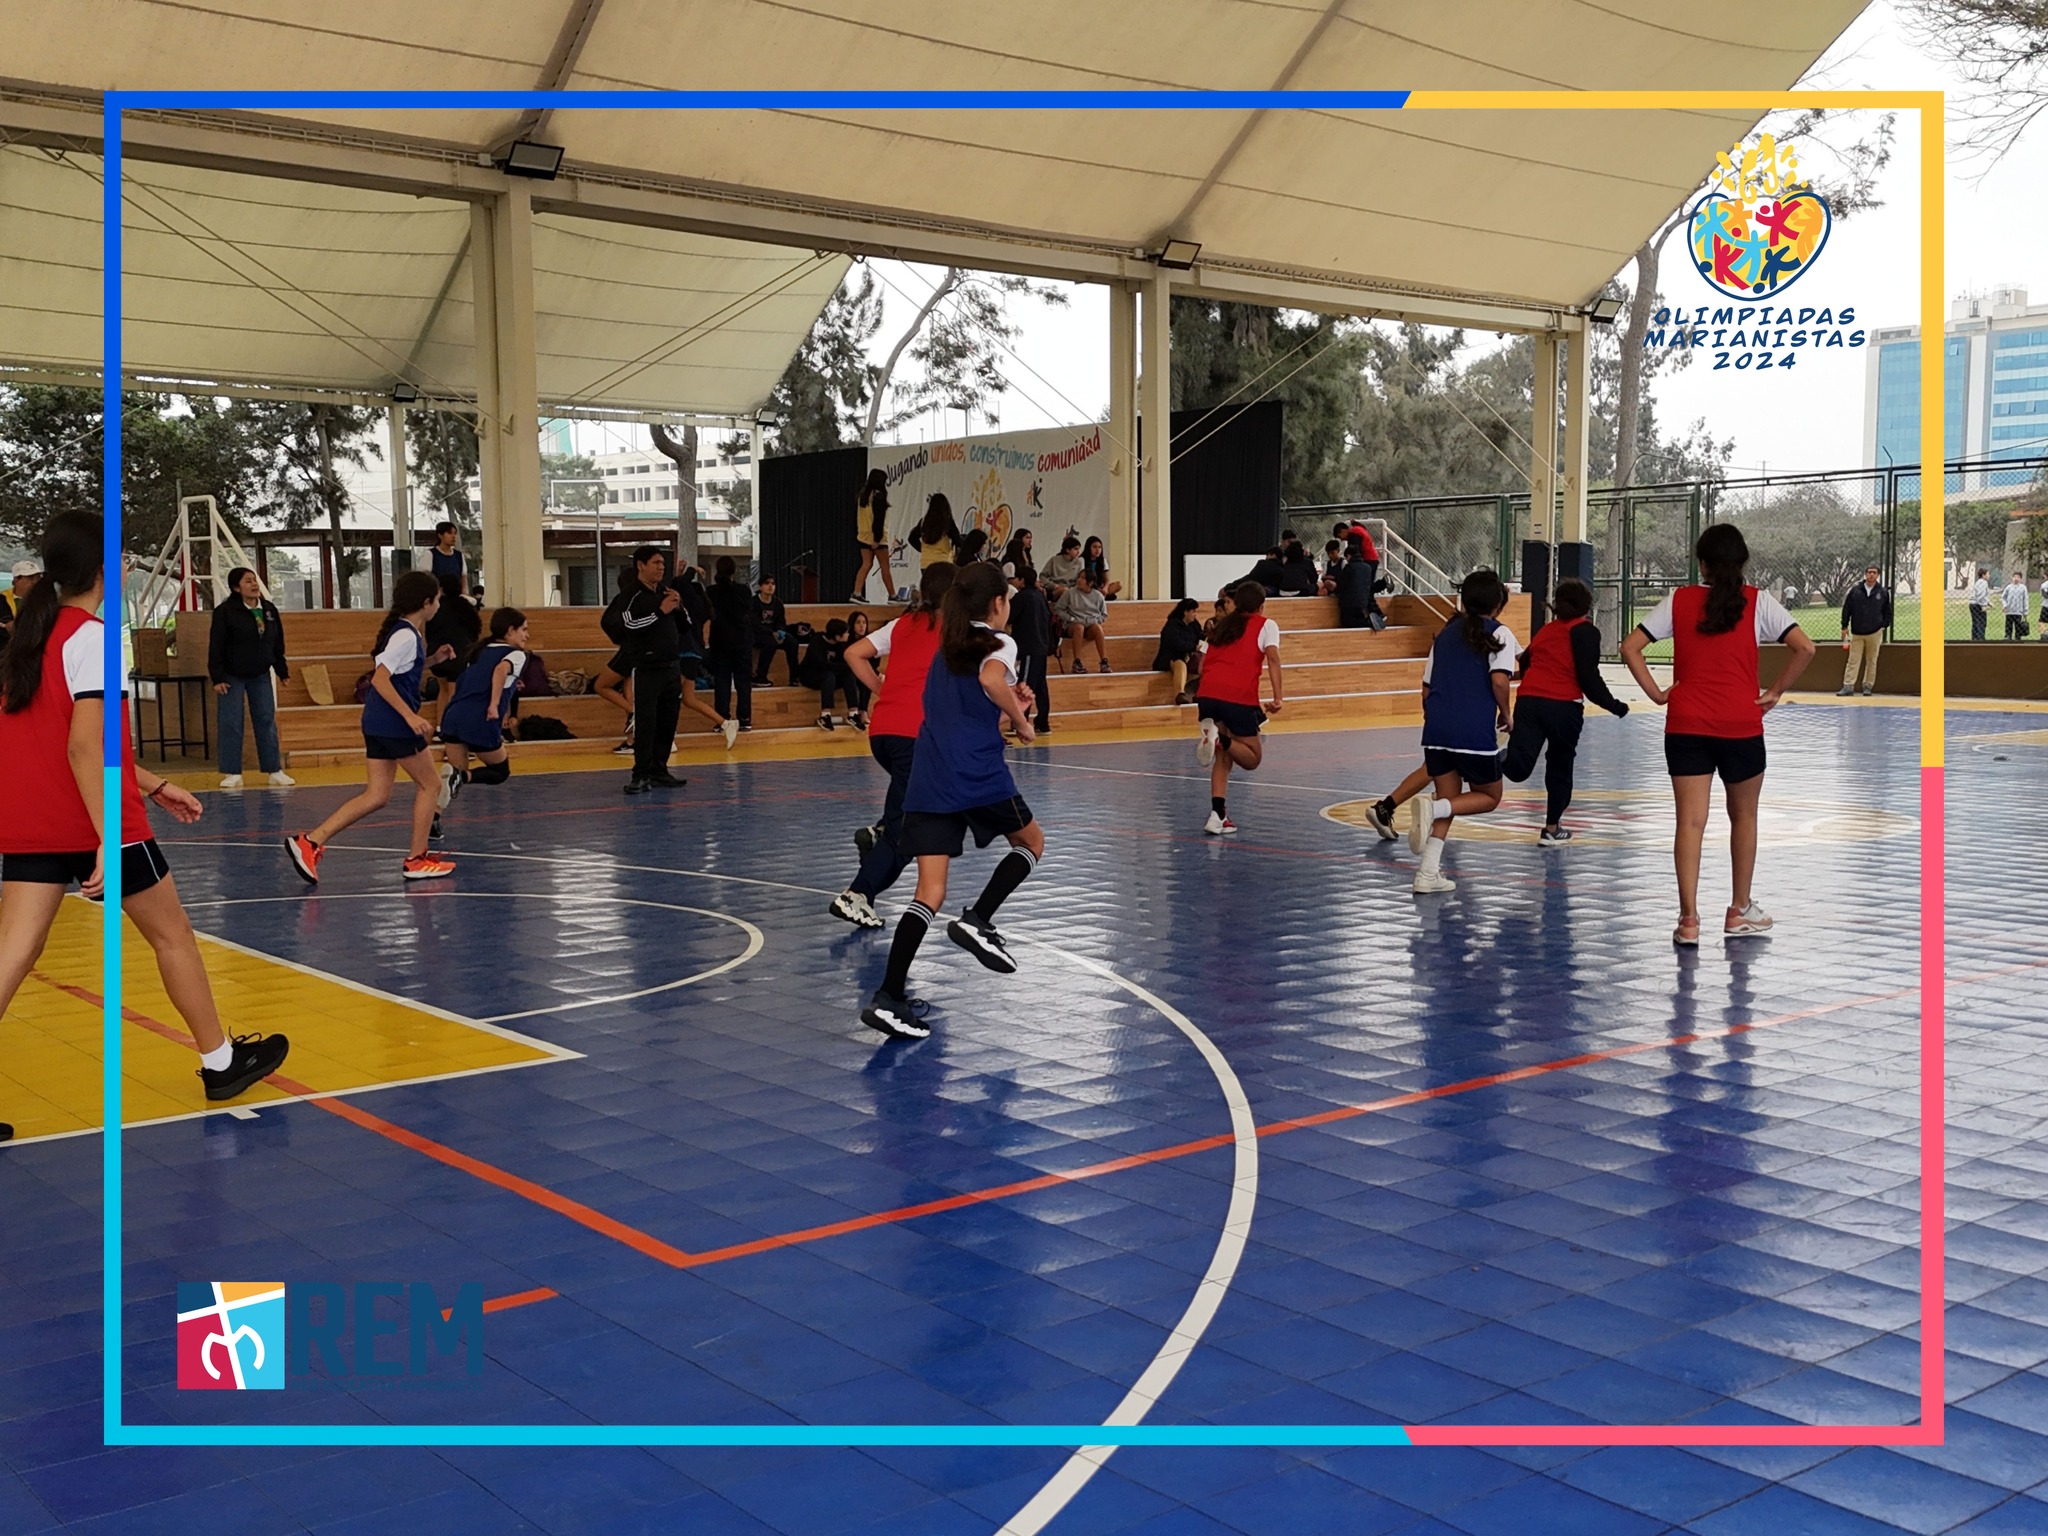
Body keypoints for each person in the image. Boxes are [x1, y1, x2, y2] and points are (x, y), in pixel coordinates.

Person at [0, 511, 290, 1142]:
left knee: (13, 954)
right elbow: (84, 747)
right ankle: (221, 1063)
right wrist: (108, 836)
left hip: (30, 820)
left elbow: (66, 743)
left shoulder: (30, 639)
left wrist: (153, 784)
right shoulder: (94, 640)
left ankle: (222, 1058)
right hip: (98, 824)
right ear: (105, 567)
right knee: (172, 936)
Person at [860, 563, 1041, 1041]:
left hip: (930, 775)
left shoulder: (947, 645)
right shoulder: (999, 643)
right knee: (1031, 843)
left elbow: (966, 705)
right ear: (998, 603)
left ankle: (888, 998)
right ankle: (978, 919)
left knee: (929, 892)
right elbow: (991, 682)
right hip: (976, 773)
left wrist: (1012, 705)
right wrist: (1022, 722)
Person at [1620, 523, 1816, 947]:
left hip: (1686, 723)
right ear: (1742, 562)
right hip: (1741, 724)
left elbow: (1629, 647)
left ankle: (1688, 920)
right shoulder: (1759, 602)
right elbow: (1806, 647)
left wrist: (1657, 694)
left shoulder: (1678, 600)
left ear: (1702, 564)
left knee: (1690, 822)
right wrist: (1775, 691)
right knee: (1744, 817)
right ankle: (1739, 909)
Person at [286, 571, 457, 883]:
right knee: (430, 785)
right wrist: (410, 717)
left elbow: (401, 668)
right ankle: (416, 859)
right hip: (393, 723)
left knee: (377, 795)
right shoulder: (406, 635)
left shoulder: (406, 632)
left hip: (377, 721)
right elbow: (380, 678)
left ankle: (310, 842)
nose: (439, 604)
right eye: (437, 599)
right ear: (425, 602)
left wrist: (433, 659)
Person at [831, 563, 955, 929]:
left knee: (906, 806)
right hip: (915, 736)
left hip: (883, 733)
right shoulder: (954, 630)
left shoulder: (903, 624)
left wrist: (880, 689)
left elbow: (853, 653)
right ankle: (858, 893)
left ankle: (880, 832)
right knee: (909, 828)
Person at [1407, 570, 1519, 894]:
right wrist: (1507, 714)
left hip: (1436, 730)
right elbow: (1500, 681)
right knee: (1489, 797)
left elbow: (1426, 688)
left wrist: (1437, 719)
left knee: (1451, 799)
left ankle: (1428, 872)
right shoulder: (1499, 633)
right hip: (1472, 732)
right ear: (1498, 604)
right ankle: (1433, 809)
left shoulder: (1445, 634)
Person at [1503, 578, 1628, 843]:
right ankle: (1552, 829)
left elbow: (1525, 663)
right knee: (1559, 766)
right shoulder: (1585, 631)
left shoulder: (1546, 631)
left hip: (1529, 701)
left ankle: (1488, 759)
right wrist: (1614, 705)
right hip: (1563, 706)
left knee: (1518, 767)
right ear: (1587, 606)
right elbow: (1588, 677)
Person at [1193, 581, 1284, 835]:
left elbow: (1201, 666)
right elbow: (1273, 658)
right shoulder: (1266, 625)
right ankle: (1219, 738)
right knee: (1252, 758)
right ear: (1261, 606)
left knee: (1223, 755)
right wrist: (1278, 698)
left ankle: (1217, 816)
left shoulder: (1221, 627)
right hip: (1237, 696)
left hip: (1208, 694)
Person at [208, 567, 293, 789]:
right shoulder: (225, 612)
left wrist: (282, 670)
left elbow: (277, 643)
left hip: (260, 674)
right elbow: (216, 646)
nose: (254, 584)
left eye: (254, 580)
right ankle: (232, 772)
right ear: (236, 588)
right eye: (248, 581)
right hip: (231, 676)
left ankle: (274, 769)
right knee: (231, 722)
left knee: (266, 720)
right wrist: (217, 677)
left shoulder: (269, 609)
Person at [615, 545, 688, 796]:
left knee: (668, 722)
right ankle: (640, 774)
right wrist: (660, 612)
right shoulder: (631, 595)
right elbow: (629, 625)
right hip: (647, 669)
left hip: (671, 667)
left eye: (663, 564)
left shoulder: (665, 593)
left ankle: (659, 769)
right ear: (641, 565)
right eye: (656, 563)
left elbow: (686, 627)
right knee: (646, 723)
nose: (661, 568)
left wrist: (678, 606)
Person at [437, 607, 528, 807]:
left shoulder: (477, 652)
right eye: (524, 629)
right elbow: (500, 670)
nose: (526, 635)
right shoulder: (516, 654)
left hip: (453, 716)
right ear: (510, 630)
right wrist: (494, 705)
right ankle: (463, 777)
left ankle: (434, 817)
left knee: (451, 778)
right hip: (479, 719)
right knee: (500, 772)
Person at [669, 561, 738, 749]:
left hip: (686, 653)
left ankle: (668, 737)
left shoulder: (690, 604)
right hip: (694, 653)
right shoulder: (700, 607)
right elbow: (678, 585)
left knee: (670, 695)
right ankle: (726, 724)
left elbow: (680, 584)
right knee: (689, 699)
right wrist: (680, 573)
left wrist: (691, 570)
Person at [706, 555, 754, 731]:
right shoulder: (743, 590)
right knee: (743, 682)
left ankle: (722, 719)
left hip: (719, 640)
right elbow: (749, 611)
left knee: (722, 681)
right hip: (742, 640)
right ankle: (745, 718)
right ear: (734, 571)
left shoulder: (711, 591)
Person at [596, 562, 638, 755]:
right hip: (638, 652)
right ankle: (632, 740)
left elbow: (608, 622)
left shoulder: (625, 600)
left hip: (629, 651)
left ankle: (634, 713)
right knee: (629, 690)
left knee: (601, 685)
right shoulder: (642, 599)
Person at [1008, 564, 1053, 733]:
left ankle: (1020, 722)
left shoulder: (1021, 597)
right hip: (1041, 646)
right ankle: (1043, 723)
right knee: (1040, 685)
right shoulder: (1040, 596)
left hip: (1029, 647)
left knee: (1025, 685)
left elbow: (1010, 617)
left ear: (1021, 580)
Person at [804, 617, 869, 729]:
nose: (848, 635)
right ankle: (825, 715)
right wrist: (844, 667)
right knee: (829, 675)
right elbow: (819, 664)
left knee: (848, 674)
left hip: (832, 677)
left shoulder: (841, 645)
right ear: (838, 637)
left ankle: (853, 713)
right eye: (846, 633)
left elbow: (844, 664)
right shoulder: (817, 642)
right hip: (812, 676)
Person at [1838, 564, 1891, 695]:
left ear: (1878, 575)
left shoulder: (1882, 592)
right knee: (1853, 660)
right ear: (1865, 574)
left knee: (1872, 660)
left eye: (1874, 573)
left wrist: (1883, 625)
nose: (1871, 575)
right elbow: (1847, 608)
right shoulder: (1855, 591)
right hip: (1857, 632)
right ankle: (1848, 686)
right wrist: (1844, 626)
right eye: (1869, 572)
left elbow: (1887, 611)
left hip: (1875, 632)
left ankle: (1868, 686)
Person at [424, 574, 481, 684]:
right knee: (454, 687)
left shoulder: (436, 607)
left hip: (438, 653)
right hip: (462, 654)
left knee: (443, 687)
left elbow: (429, 631)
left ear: (441, 589)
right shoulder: (467, 606)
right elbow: (476, 629)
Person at [1055, 567, 1111, 674]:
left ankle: (1104, 661)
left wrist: (1094, 621)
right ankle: (1077, 662)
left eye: (1083, 578)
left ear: (1090, 583)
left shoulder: (1098, 596)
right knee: (1079, 627)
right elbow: (1058, 609)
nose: (1079, 580)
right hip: (1073, 625)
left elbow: (1103, 615)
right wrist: (1071, 618)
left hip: (1090, 624)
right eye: (1079, 577)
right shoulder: (1070, 593)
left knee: (1098, 628)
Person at [853, 467, 894, 604]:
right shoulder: (878, 496)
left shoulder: (863, 496)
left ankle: (856, 592)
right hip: (877, 539)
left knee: (866, 564)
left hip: (863, 536)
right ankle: (892, 595)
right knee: (885, 567)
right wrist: (877, 538)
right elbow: (878, 520)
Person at [752, 572, 800, 685]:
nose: (770, 586)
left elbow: (781, 621)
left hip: (774, 633)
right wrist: (771, 633)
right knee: (770, 643)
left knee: (792, 643)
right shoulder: (753, 602)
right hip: (757, 634)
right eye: (767, 583)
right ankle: (760, 676)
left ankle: (794, 677)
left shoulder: (778, 603)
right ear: (760, 586)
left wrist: (780, 630)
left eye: (773, 583)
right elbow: (754, 624)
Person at [1154, 597, 1204, 704]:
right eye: (1193, 611)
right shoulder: (1172, 625)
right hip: (1171, 658)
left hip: (1189, 657)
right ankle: (1179, 694)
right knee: (1180, 665)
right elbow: (1175, 643)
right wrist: (1193, 647)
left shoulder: (1194, 625)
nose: (1195, 615)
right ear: (1185, 612)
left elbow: (1201, 636)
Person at [1334, 537, 1383, 629]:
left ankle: (1368, 622)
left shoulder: (1348, 568)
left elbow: (1341, 585)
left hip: (1349, 604)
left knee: (1346, 621)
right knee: (1357, 618)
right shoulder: (1367, 568)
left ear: (1349, 556)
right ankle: (1374, 619)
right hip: (1363, 603)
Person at [916, 493, 961, 570]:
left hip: (925, 564)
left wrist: (922, 550)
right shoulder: (947, 522)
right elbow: (958, 541)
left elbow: (912, 538)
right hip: (943, 563)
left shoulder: (923, 522)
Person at [1041, 534, 1085, 604]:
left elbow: (1081, 580)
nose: (1078, 552)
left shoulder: (1079, 562)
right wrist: (1053, 585)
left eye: (1079, 549)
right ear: (1067, 550)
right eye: (1075, 549)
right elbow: (1042, 576)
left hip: (1071, 590)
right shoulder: (1054, 560)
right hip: (1055, 590)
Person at [428, 522, 466, 589]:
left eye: (455, 533)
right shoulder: (430, 554)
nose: (453, 536)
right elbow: (425, 578)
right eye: (449, 533)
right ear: (440, 535)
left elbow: (463, 578)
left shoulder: (459, 555)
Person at [2, 558, 39, 622]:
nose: (35, 582)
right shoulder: (2, 599)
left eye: (38, 578)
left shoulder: (43, 599)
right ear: (16, 579)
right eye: (31, 578)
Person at [2003, 570, 2031, 640]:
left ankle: (2017, 638)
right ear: (2012, 578)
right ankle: (2008, 636)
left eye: (2018, 577)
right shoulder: (2009, 587)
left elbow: (2025, 599)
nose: (2016, 579)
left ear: (2020, 579)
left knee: (2018, 626)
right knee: (2008, 625)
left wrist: (2025, 611)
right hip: (2009, 611)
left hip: (2018, 611)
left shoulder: (2023, 588)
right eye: (2014, 577)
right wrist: (2005, 605)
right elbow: (2003, 597)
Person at [1969, 567, 1990, 641]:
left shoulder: (1978, 582)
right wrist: (1983, 605)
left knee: (1975, 622)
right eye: (1988, 574)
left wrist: (1988, 602)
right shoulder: (1984, 582)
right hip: (1978, 605)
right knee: (1981, 622)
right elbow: (1981, 595)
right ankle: (1980, 639)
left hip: (1972, 604)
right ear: (1983, 575)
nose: (1989, 575)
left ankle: (1974, 638)